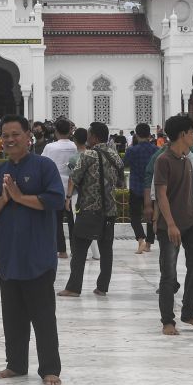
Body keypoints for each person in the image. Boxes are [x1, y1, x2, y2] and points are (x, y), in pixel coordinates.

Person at [0, 114, 64, 385]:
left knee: (42, 317)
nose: (9, 140)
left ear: (28, 136)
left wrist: (20, 198)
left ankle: (50, 369)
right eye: (5, 135)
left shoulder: (43, 166)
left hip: (38, 255)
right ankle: (16, 364)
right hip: (9, 255)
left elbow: (55, 200)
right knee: (13, 317)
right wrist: (5, 199)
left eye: (15, 134)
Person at [154, 115, 193, 335]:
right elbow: (161, 194)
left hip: (191, 223)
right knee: (169, 274)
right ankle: (168, 321)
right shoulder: (163, 160)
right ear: (182, 134)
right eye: (192, 133)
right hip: (171, 226)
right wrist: (170, 224)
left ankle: (189, 313)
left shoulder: (186, 160)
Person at [60, 122, 123, 297]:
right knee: (106, 251)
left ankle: (73, 288)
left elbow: (75, 177)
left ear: (94, 136)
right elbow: (120, 182)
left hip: (89, 208)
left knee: (79, 250)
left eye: (89, 134)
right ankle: (102, 287)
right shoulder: (115, 155)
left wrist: (68, 197)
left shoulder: (88, 155)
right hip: (110, 210)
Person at [41, 117, 77, 259]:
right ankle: (76, 249)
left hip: (55, 187)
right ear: (70, 131)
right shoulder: (75, 146)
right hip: (73, 188)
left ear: (55, 131)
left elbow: (43, 165)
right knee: (73, 221)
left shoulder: (50, 147)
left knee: (56, 221)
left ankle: (61, 250)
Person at [124, 123, 157, 254]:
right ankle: (149, 244)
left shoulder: (132, 150)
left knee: (135, 216)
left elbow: (124, 164)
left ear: (136, 135)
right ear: (150, 135)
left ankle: (140, 239)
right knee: (150, 215)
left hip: (135, 186)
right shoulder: (156, 150)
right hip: (151, 188)